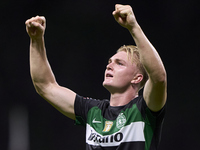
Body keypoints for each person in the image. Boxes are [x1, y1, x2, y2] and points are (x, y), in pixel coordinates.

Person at [25, 4, 167, 150]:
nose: (109, 66)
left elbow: (158, 78)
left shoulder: (144, 110)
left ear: (137, 78)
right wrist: (36, 40)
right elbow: (45, 86)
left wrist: (133, 27)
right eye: (109, 62)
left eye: (120, 63)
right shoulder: (93, 111)